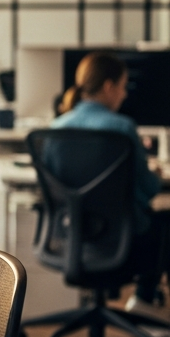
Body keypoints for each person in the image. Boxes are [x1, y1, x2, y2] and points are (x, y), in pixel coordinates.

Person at [52, 51, 169, 320]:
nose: (125, 94)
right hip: (124, 241)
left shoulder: (56, 127)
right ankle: (145, 297)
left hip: (70, 235)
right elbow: (148, 190)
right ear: (108, 86)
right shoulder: (122, 128)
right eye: (123, 86)